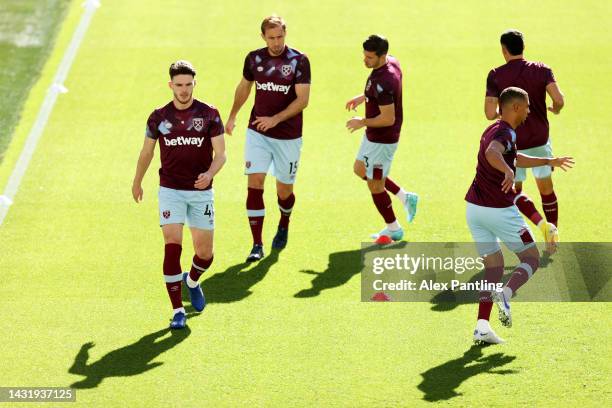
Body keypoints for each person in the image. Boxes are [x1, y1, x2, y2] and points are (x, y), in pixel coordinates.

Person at [466, 87, 573, 345]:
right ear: (515, 107)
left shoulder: (495, 129)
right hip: (500, 212)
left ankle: (482, 326)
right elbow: (494, 153)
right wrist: (507, 172)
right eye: (526, 106)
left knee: (493, 267)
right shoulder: (504, 132)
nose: (529, 110)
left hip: (474, 209)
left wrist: (549, 161)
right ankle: (507, 293)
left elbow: (514, 157)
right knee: (531, 257)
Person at [132, 61, 226, 329]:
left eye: (189, 85)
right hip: (170, 190)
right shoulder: (159, 118)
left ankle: (192, 281)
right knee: (172, 246)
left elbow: (221, 155)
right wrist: (137, 181)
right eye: (179, 85)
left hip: (200, 192)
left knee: (206, 254)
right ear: (170, 85)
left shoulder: (209, 114)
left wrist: (209, 174)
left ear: (195, 84)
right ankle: (176, 312)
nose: (184, 90)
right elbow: (147, 152)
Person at [225, 15, 311, 262]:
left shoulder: (299, 61)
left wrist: (276, 119)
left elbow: (303, 100)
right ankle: (257, 244)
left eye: (280, 36)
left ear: (285, 33)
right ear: (263, 37)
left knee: (284, 190)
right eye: (271, 38)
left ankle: (284, 223)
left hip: (288, 136)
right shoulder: (254, 58)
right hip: (257, 132)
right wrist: (232, 116)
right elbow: (244, 87)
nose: (276, 42)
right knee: (255, 183)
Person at [484, 29, 565, 230]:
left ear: (504, 50)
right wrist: (555, 109)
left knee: (513, 191)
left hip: (512, 142)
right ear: (523, 47)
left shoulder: (496, 74)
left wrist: (501, 113)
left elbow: (488, 113)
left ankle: (523, 233)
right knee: (546, 189)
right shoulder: (542, 69)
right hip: (540, 139)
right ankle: (552, 233)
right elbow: (559, 100)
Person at [346, 34, 418, 245]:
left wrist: (363, 121)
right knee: (360, 170)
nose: (365, 60)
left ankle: (394, 228)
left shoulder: (385, 82)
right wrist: (364, 96)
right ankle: (405, 197)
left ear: (381, 55)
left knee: (375, 185)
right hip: (373, 137)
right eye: (364, 56)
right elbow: (379, 93)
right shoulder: (391, 62)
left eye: (369, 57)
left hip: (382, 140)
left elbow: (388, 118)